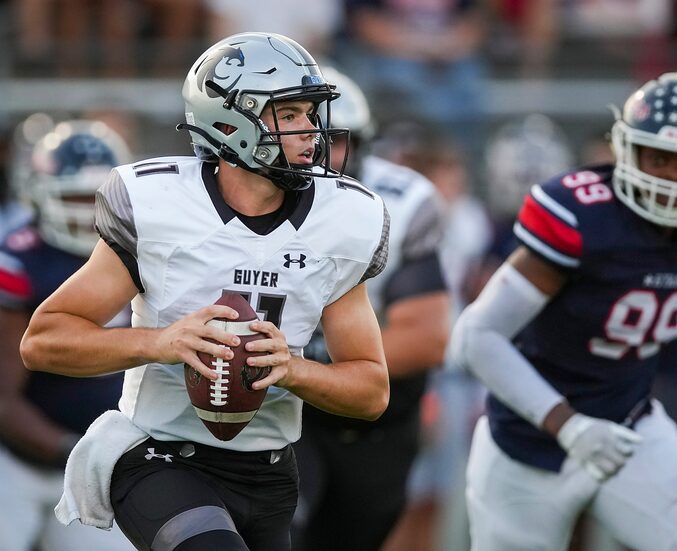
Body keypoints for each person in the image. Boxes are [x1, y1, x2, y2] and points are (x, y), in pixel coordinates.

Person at [19, 33, 391, 551]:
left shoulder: (341, 221)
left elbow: (371, 391)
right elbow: (43, 340)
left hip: (272, 471)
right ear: (229, 122)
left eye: (311, 112)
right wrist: (162, 342)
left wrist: (293, 369)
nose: (311, 131)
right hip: (158, 456)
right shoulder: (159, 205)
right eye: (289, 115)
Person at [448, 72, 677, 551]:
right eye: (659, 158)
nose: (672, 179)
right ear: (627, 151)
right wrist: (567, 424)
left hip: (630, 427)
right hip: (526, 444)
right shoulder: (583, 218)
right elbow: (475, 337)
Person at [291, 66, 449, 551]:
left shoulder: (400, 202)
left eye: (332, 137)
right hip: (279, 410)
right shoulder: (238, 195)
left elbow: (426, 338)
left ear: (361, 143)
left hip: (370, 417)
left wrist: (304, 366)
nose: (315, 151)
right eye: (298, 132)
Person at [0, 119, 135, 551]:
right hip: (15, 459)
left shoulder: (140, 255)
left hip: (98, 462)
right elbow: (3, 396)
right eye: (74, 196)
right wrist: (67, 447)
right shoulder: (19, 262)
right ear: (39, 191)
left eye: (94, 198)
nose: (85, 210)